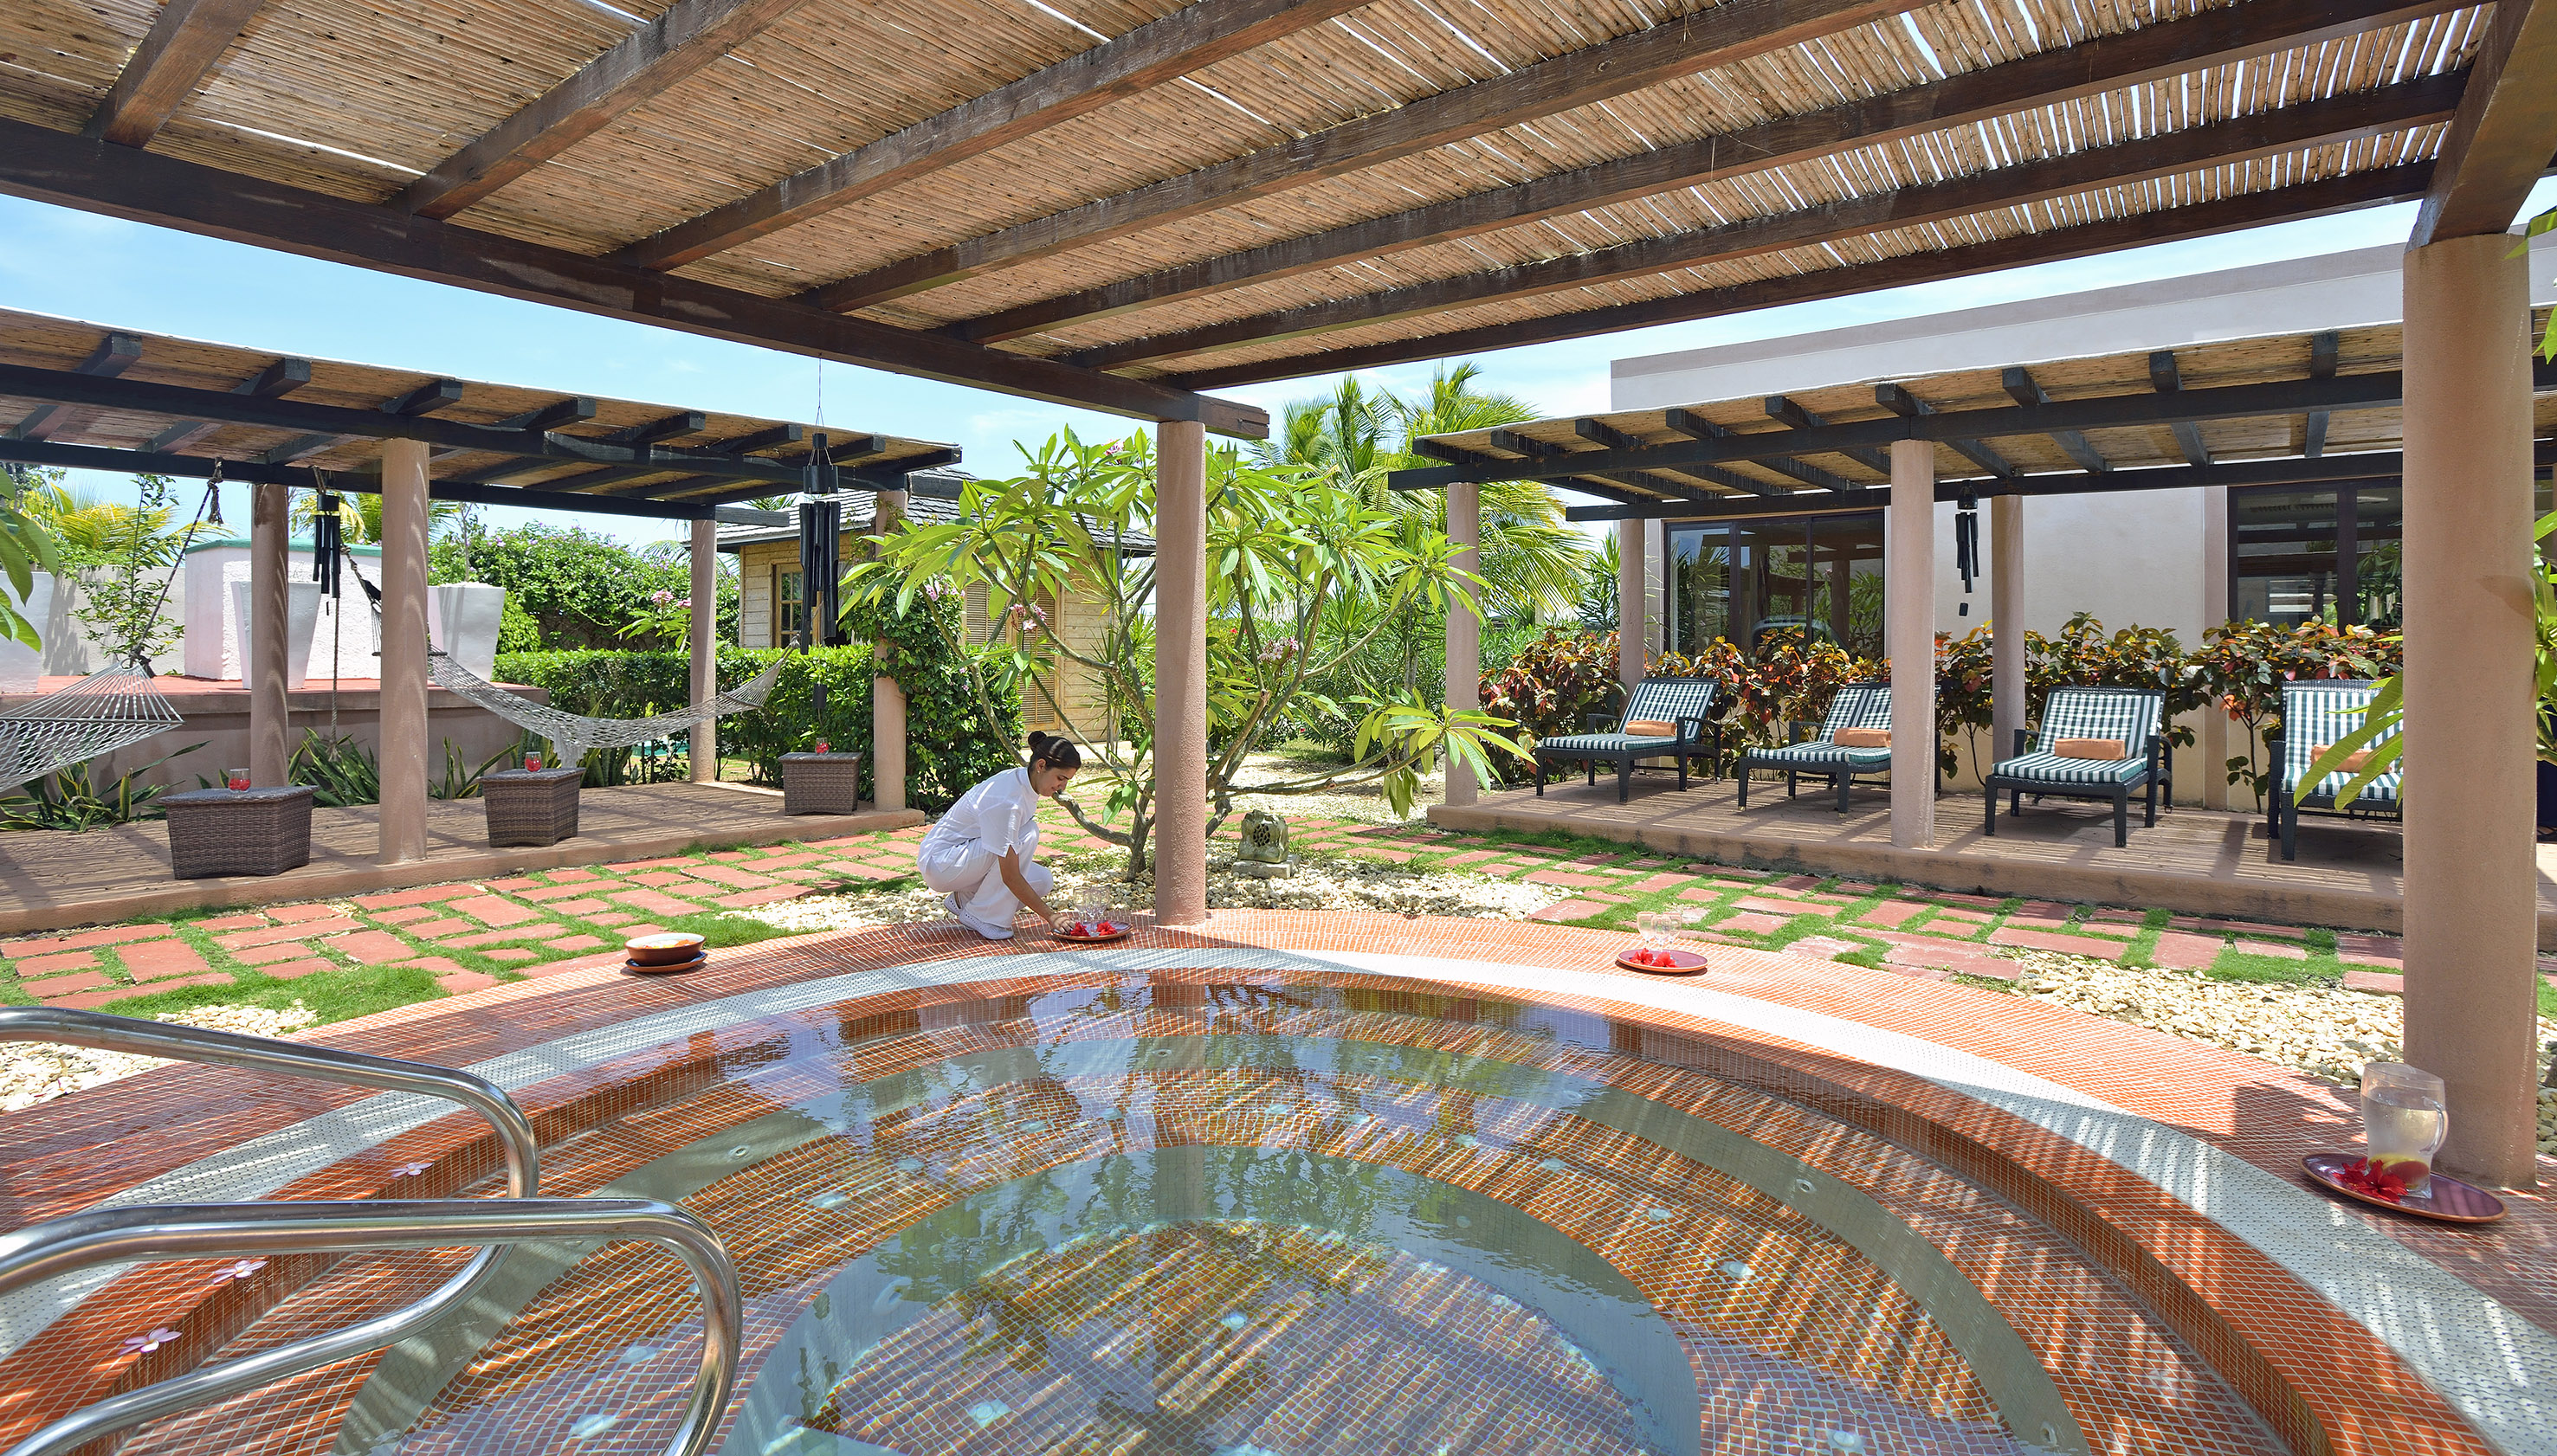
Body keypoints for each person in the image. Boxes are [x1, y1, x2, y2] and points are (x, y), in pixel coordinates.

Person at [917, 732, 1080, 939]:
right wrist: (1051, 916)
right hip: (941, 864)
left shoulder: (1023, 782)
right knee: (1028, 834)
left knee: (1042, 880)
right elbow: (1010, 875)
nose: (1062, 787)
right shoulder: (1008, 801)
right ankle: (983, 917)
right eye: (1060, 778)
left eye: (1066, 780)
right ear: (1041, 765)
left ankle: (965, 899)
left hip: (961, 859)